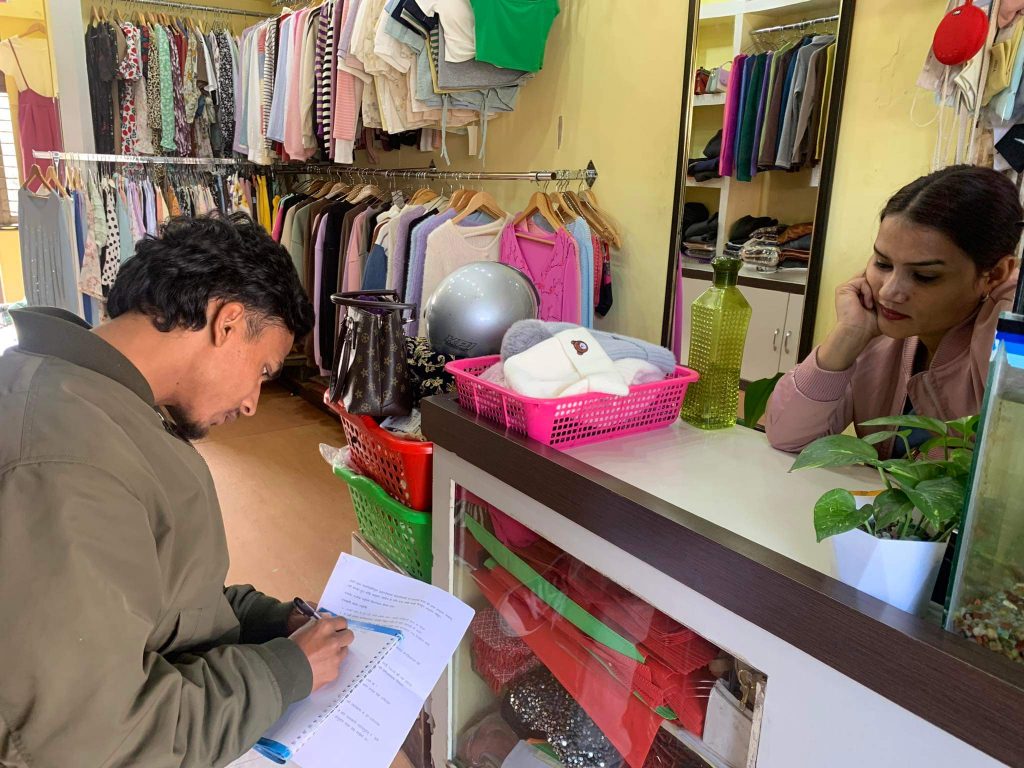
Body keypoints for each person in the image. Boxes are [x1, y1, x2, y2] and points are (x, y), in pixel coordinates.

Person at [0, 214, 355, 767]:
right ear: (229, 322)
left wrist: (264, 619)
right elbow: (95, 743)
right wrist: (286, 670)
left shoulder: (102, 403)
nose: (251, 403)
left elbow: (154, 597)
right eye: (263, 370)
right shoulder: (65, 461)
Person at [766, 165, 1021, 458]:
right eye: (883, 264)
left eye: (925, 276)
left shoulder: (1005, 341)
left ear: (996, 274)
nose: (888, 292)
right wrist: (848, 335)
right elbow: (788, 438)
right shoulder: (878, 332)